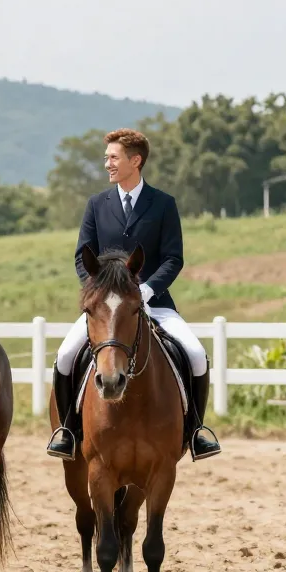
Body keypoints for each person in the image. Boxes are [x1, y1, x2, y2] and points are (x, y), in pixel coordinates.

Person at [46, 128, 219, 461]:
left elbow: (173, 258)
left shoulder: (163, 204)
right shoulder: (97, 204)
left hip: (153, 301)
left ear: (135, 160)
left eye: (113, 157)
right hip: (105, 307)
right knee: (65, 356)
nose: (107, 164)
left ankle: (196, 430)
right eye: (107, 157)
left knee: (196, 354)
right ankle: (67, 430)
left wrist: (148, 289)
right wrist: (98, 292)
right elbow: (83, 255)